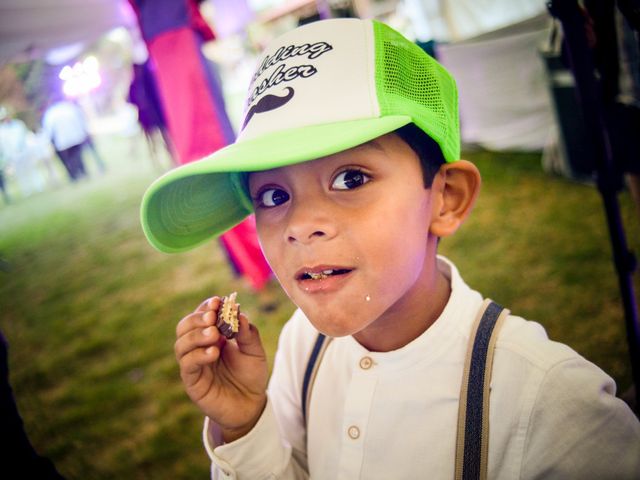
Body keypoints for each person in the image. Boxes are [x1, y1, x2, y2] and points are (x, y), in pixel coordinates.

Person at [139, 18, 640, 479]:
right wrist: (245, 424)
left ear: (445, 198)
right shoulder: (299, 344)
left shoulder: (552, 402)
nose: (301, 226)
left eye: (350, 178)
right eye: (274, 195)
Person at [41, 97, 89, 182]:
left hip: (62, 141)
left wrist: (48, 141)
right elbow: (80, 119)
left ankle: (74, 175)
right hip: (75, 136)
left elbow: (48, 129)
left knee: (69, 159)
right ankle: (82, 172)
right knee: (78, 156)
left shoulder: (51, 113)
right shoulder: (69, 108)